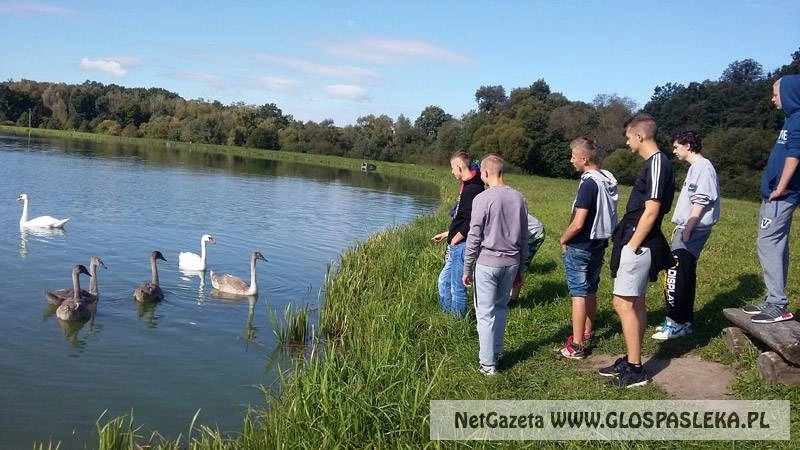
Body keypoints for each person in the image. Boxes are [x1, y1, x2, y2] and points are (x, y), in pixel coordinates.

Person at [600, 113, 674, 387]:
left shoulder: (657, 164)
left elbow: (652, 210)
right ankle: (633, 359)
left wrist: (632, 246)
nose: (627, 141)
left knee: (622, 303)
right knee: (636, 302)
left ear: (640, 136)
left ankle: (635, 369)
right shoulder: (655, 163)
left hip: (639, 242)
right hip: (637, 240)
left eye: (629, 137)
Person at [462, 154, 528, 376]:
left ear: (487, 173)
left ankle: (487, 365)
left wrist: (467, 267)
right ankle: (495, 353)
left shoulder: (482, 199)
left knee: (485, 313)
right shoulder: (519, 198)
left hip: (487, 264)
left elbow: (474, 236)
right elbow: (524, 239)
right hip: (511, 263)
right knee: (500, 309)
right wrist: (521, 269)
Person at [743, 75, 800, 323]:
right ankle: (772, 298)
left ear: (789, 94)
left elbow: (795, 154)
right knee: (775, 245)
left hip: (781, 196)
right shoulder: (790, 120)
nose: (772, 99)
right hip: (775, 195)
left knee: (768, 243)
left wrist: (781, 187)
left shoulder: (798, 120)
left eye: (776, 94)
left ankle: (778, 303)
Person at [653, 131, 720, 339]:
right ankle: (686, 322)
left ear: (688, 145)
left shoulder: (703, 168)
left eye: (676, 147)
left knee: (675, 274)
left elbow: (702, 199)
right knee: (686, 274)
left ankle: (675, 322)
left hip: (692, 230)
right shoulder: (696, 168)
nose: (674, 150)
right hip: (687, 228)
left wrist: (688, 228)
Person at [558, 137, 618, 359]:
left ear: (584, 159)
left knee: (578, 292)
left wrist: (563, 239)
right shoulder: (607, 179)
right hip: (599, 243)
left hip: (581, 244)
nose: (571, 160)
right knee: (591, 288)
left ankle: (576, 345)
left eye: (573, 156)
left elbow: (579, 221)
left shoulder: (588, 184)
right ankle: (588, 332)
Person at [432, 150, 485, 317]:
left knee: (457, 287)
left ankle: (456, 321)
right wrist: (448, 234)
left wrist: (456, 239)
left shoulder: (473, 189)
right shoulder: (469, 185)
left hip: (461, 245)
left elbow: (472, 220)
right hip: (456, 242)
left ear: (459, 166)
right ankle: (446, 314)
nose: (452, 171)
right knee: (443, 281)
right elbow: (461, 217)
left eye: (452, 168)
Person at [508, 213, 545, 307]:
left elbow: (513, 231)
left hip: (534, 234)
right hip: (523, 233)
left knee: (520, 266)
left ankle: (513, 300)